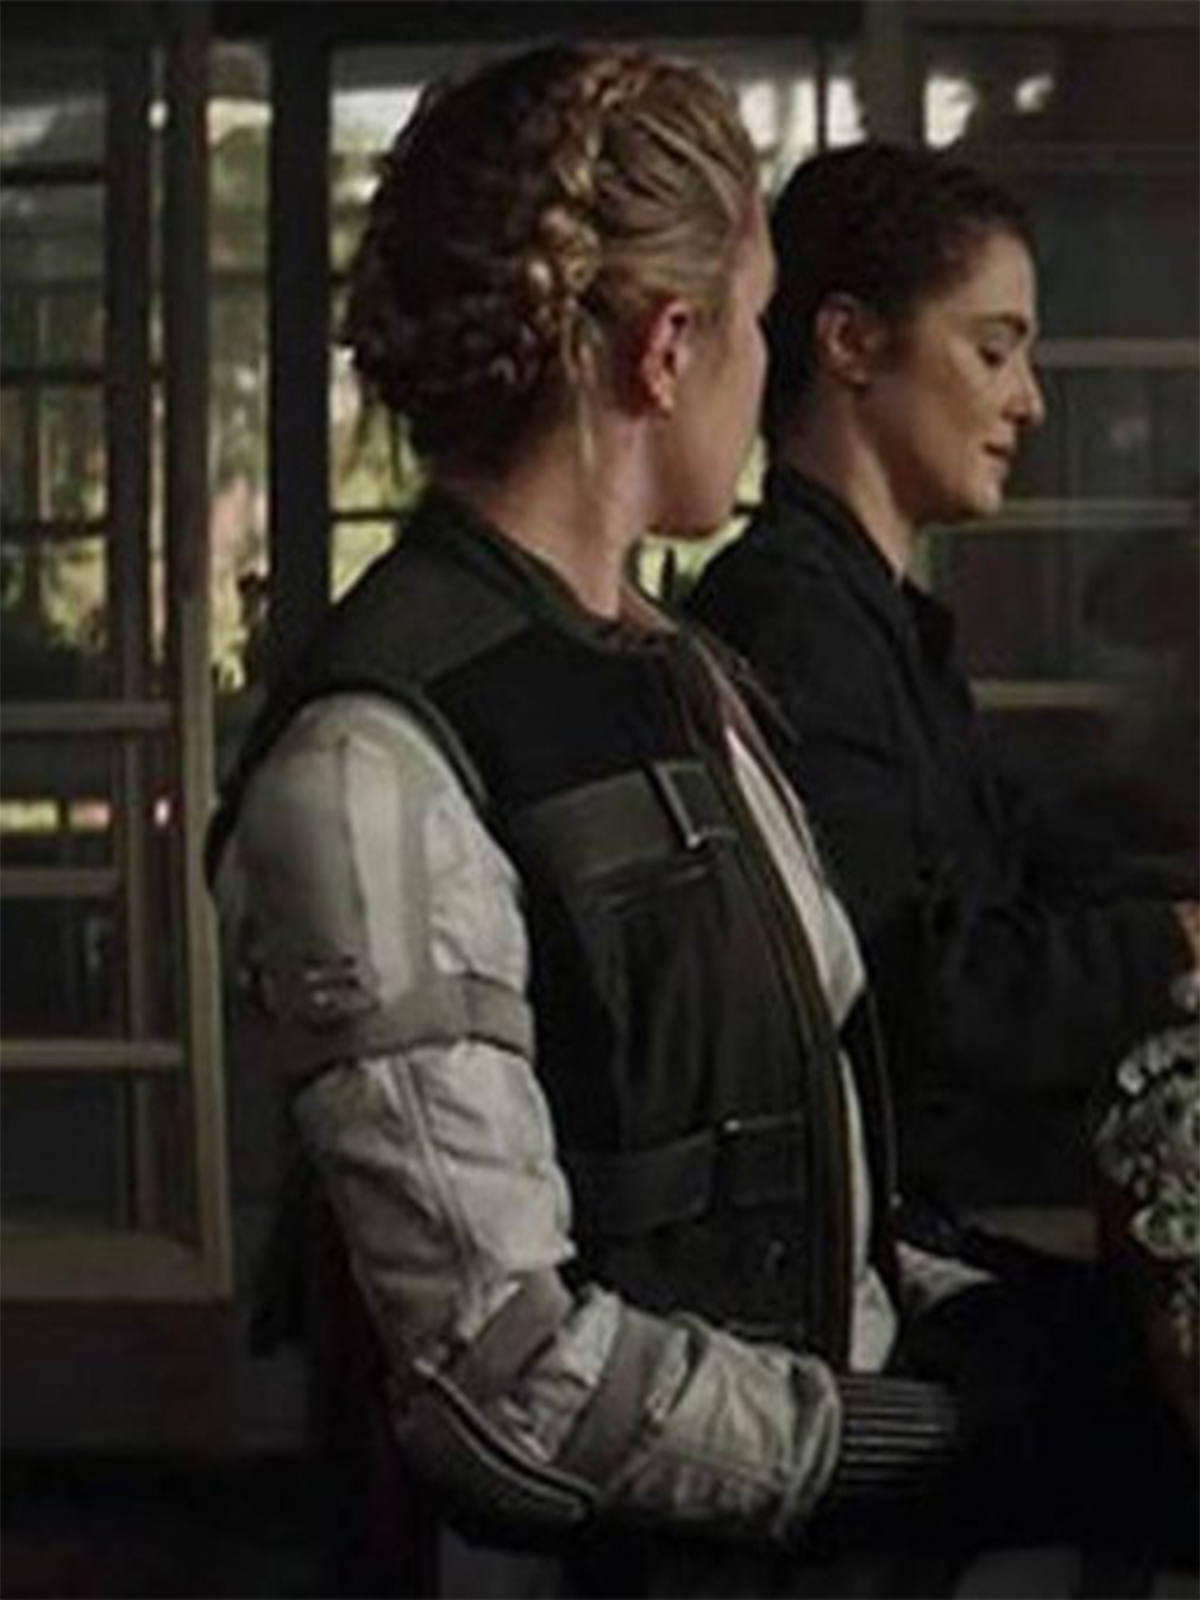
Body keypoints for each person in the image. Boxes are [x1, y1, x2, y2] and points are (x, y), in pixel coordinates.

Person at [208, 54, 1191, 1598]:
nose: (769, 367)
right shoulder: (369, 762)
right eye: (757, 320)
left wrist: (1038, 1350)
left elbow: (815, 1160)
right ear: (671, 349)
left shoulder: (683, 668)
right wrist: (932, 1442)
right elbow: (506, 1390)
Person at [687, 142, 1200, 1215]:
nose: (1031, 403)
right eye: (993, 350)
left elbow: (1019, 857)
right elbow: (912, 993)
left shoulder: (874, 615)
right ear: (850, 342)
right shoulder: (790, 620)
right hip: (896, 1239)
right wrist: (1176, 943)